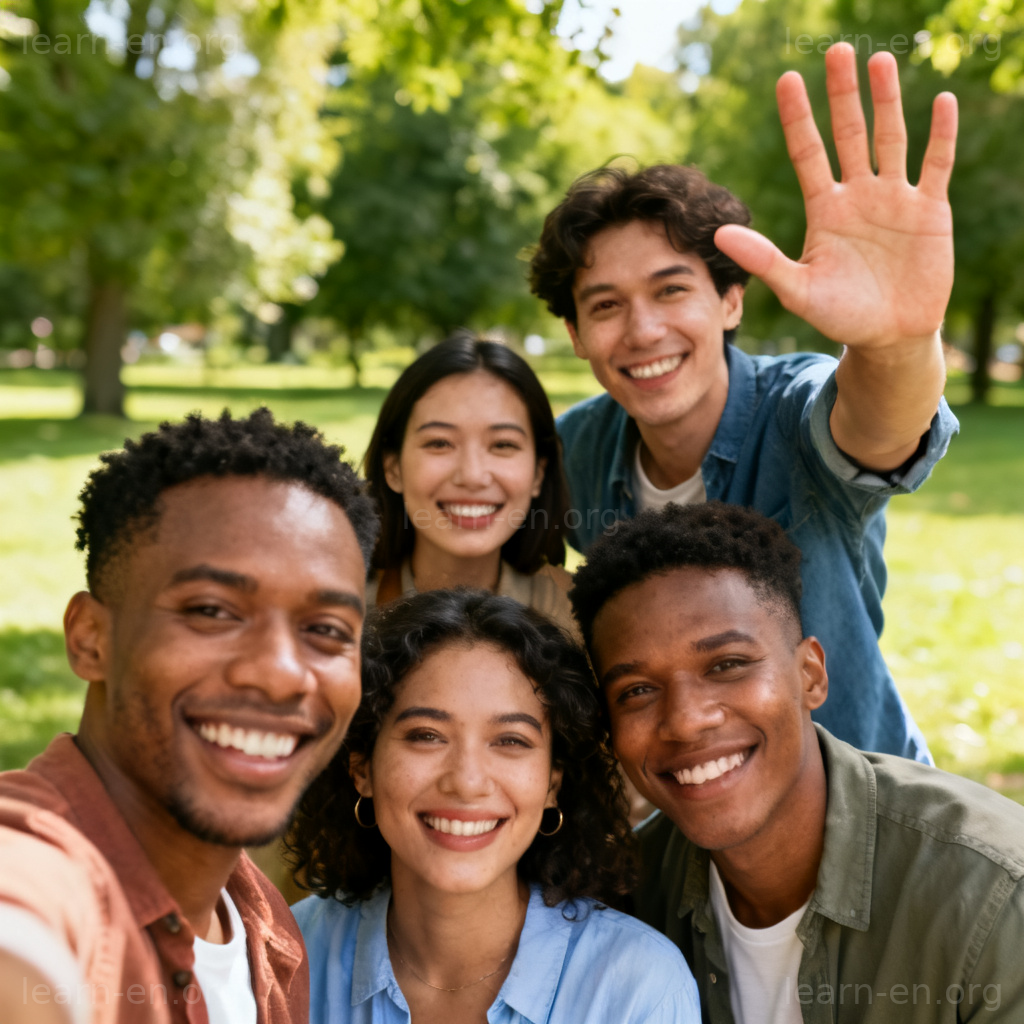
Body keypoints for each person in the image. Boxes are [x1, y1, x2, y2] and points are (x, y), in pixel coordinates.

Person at [528, 44, 960, 763]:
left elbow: (879, 427)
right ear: (575, 334)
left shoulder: (793, 412)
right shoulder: (572, 453)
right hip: (687, 818)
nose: (643, 331)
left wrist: (898, 343)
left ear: (730, 300)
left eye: (672, 291)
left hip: (862, 810)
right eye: (606, 306)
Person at [569, 501, 1024, 1023]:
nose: (686, 720)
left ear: (810, 675)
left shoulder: (994, 900)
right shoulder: (627, 904)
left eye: (727, 664)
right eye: (638, 690)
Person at [0, 409, 379, 1024]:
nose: (281, 671)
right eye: (211, 610)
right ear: (90, 637)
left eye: (326, 629)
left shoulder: (266, 929)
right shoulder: (38, 871)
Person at [287, 588, 700, 1023]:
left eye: (510, 741)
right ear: (362, 769)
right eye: (426, 735)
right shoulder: (284, 953)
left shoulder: (638, 988)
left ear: (552, 784)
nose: (466, 782)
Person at [362, 331, 576, 636]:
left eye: (502, 444)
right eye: (439, 443)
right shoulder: (339, 606)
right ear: (392, 467)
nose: (473, 475)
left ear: (538, 474)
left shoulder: (578, 617)